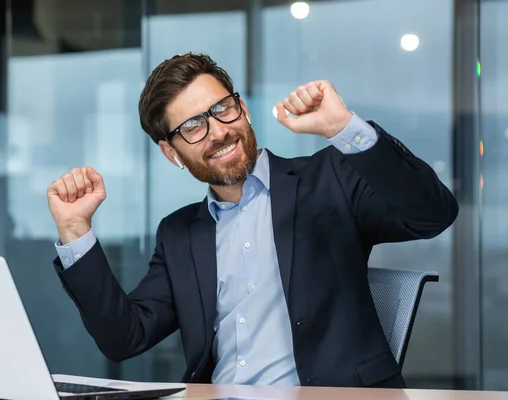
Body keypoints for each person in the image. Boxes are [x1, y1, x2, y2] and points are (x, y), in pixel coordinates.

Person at [46, 53, 458, 389]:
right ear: (171, 153)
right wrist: (75, 232)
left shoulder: (329, 178)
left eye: (222, 109)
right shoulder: (178, 234)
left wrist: (345, 129)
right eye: (192, 126)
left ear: (241, 109)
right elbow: (125, 337)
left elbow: (433, 215)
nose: (217, 132)